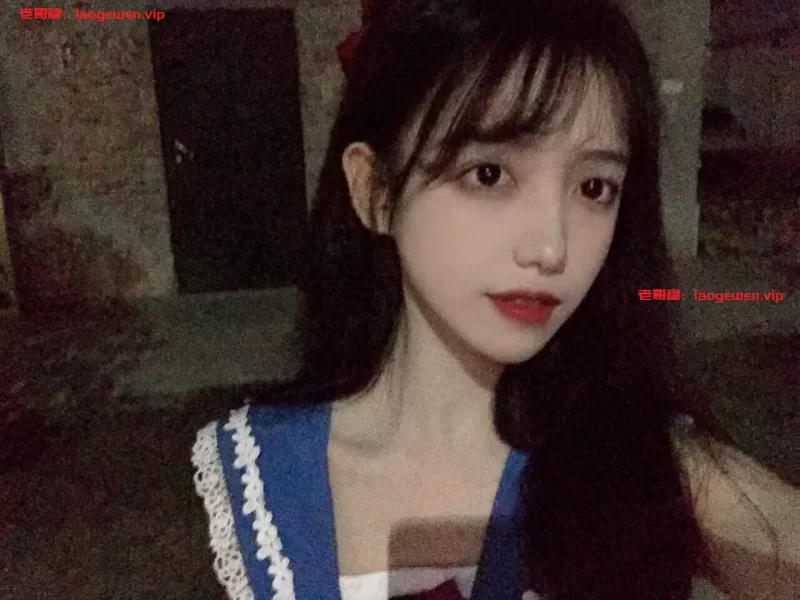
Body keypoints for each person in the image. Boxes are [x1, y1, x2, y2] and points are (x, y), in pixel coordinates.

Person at [191, 0, 799, 598]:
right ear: (375, 191)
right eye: (489, 174)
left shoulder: (649, 469)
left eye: (594, 187)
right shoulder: (247, 480)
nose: (551, 248)